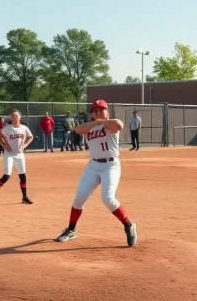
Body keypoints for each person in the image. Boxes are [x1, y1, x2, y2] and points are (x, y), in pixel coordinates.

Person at [53, 99, 137, 247]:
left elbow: (119, 125)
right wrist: (96, 123)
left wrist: (102, 121)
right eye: (95, 111)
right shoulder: (89, 126)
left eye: (101, 110)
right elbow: (78, 129)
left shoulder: (111, 124)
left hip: (111, 165)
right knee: (79, 197)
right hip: (93, 165)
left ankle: (128, 225)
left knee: (108, 198)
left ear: (107, 112)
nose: (98, 113)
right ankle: (71, 230)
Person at [0, 110, 34, 205]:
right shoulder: (7, 128)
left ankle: (24, 197)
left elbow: (30, 137)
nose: (15, 117)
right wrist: (4, 145)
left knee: (23, 176)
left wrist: (25, 144)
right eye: (13, 116)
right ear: (11, 117)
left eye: (16, 115)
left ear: (20, 117)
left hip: (19, 154)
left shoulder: (24, 128)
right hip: (9, 154)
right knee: (6, 176)